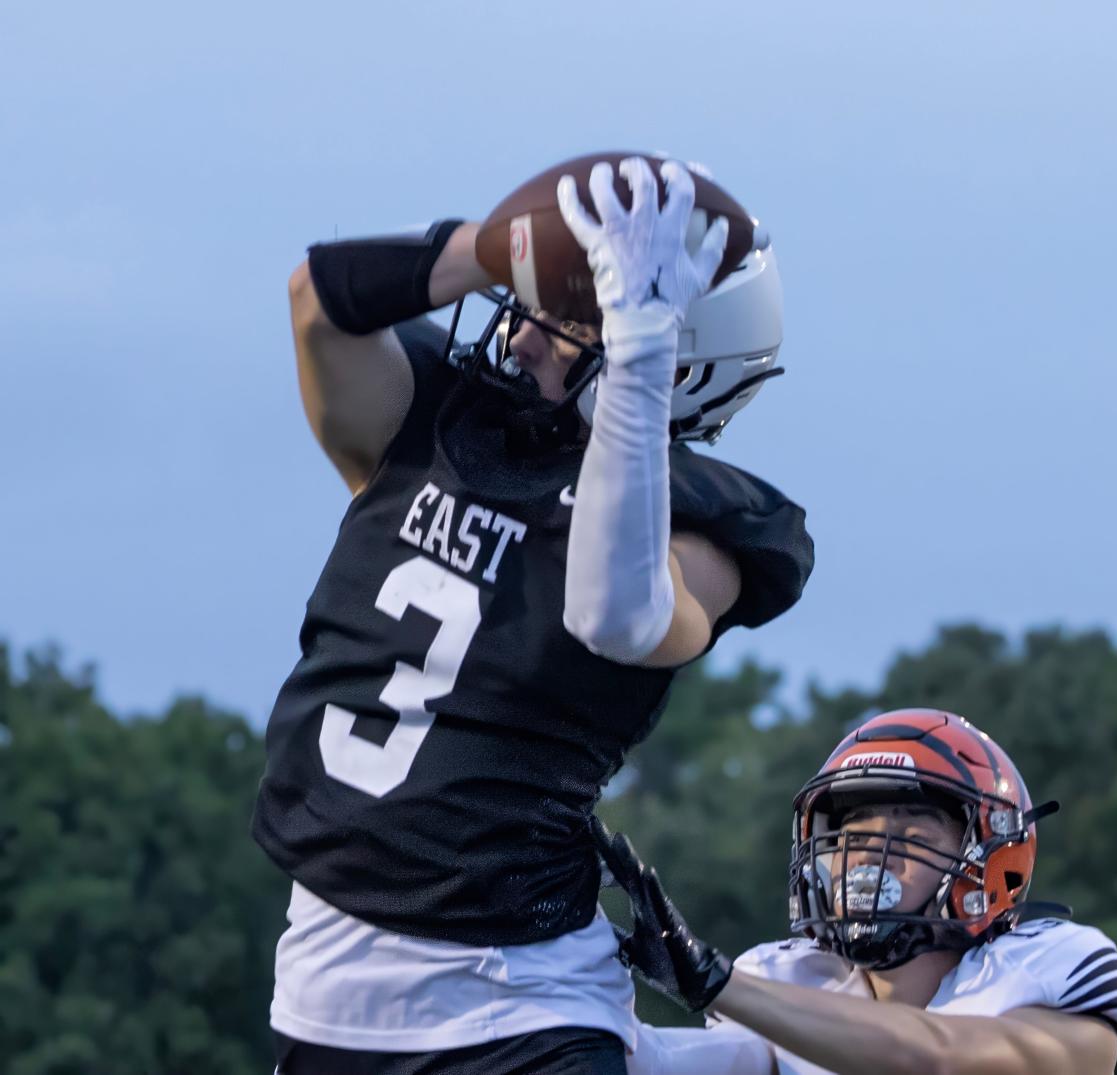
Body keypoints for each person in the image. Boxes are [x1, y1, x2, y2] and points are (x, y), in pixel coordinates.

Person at [250, 155, 813, 1074]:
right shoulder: (432, 421)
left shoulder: (708, 533)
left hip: (520, 1002)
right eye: (536, 306)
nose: (519, 340)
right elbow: (318, 295)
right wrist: (494, 251)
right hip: (325, 992)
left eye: (568, 322)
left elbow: (616, 614)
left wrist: (634, 350)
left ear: (679, 358)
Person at [595, 708, 1117, 1075]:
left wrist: (717, 982)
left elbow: (935, 1056)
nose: (870, 858)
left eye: (912, 836)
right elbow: (654, 1060)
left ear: (991, 857)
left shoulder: (1047, 970)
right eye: (854, 836)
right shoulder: (796, 980)